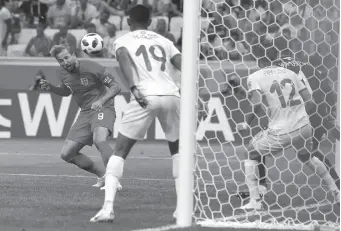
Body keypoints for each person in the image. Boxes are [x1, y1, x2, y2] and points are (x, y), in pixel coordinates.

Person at [90, 4, 182, 222]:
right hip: (171, 95)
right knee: (178, 151)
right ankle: (182, 209)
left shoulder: (123, 40)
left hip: (144, 96)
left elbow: (123, 58)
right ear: (150, 22)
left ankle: (108, 209)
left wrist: (133, 86)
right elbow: (185, 65)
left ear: (128, 21)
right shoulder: (165, 41)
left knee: (120, 151)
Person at [235, 55, 340, 210]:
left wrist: (246, 123)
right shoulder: (290, 72)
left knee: (251, 153)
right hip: (304, 125)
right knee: (307, 156)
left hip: (281, 130)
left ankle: (255, 200)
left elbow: (257, 104)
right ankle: (336, 191)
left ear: (260, 62)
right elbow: (309, 102)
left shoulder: (255, 76)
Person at [39, 44, 122, 189]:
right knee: (67, 154)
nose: (65, 62)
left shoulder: (92, 67)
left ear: (73, 55)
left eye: (66, 57)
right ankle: (102, 176)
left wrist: (101, 101)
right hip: (85, 113)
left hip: (103, 107)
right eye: (60, 60)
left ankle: (113, 180)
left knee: (99, 140)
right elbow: (66, 92)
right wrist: (51, 88)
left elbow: (116, 86)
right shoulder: (62, 73)